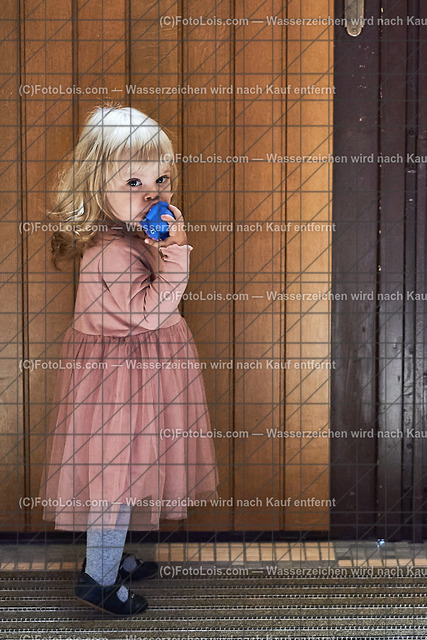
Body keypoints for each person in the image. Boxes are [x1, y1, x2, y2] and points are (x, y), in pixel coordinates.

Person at [38, 104, 219, 616]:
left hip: (133, 373)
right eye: (134, 182)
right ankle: (98, 580)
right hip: (124, 379)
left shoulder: (125, 235)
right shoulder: (113, 251)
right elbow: (148, 313)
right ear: (97, 187)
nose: (153, 194)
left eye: (162, 179)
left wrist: (158, 243)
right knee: (114, 481)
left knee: (126, 472)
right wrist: (177, 255)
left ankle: (109, 557)